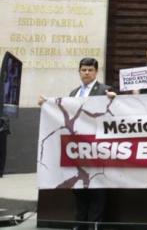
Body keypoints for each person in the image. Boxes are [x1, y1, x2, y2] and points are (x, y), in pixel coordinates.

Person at [38, 58, 116, 229]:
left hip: (97, 147)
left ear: (96, 72)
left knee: (97, 188)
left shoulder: (105, 90)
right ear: (79, 71)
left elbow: (114, 112)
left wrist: (114, 99)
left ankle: (95, 225)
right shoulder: (74, 92)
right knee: (79, 188)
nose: (86, 73)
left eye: (90, 70)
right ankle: (80, 224)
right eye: (83, 70)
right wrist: (48, 104)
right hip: (76, 147)